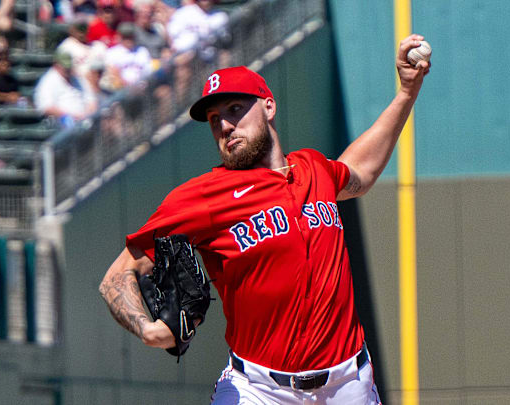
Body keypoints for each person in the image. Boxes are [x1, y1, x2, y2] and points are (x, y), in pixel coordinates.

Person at [99, 34, 430, 404]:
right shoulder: (204, 196)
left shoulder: (313, 168)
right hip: (258, 389)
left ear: (268, 107)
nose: (224, 125)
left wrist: (406, 93)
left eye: (235, 109)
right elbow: (116, 275)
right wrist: (147, 329)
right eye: (214, 119)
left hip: (348, 385)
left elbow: (360, 172)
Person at [33, 51, 97, 127]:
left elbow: (91, 99)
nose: (68, 69)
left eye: (69, 67)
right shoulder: (48, 81)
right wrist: (74, 116)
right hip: (62, 126)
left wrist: (88, 115)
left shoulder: (77, 78)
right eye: (65, 67)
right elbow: (46, 107)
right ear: (56, 65)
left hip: (85, 123)